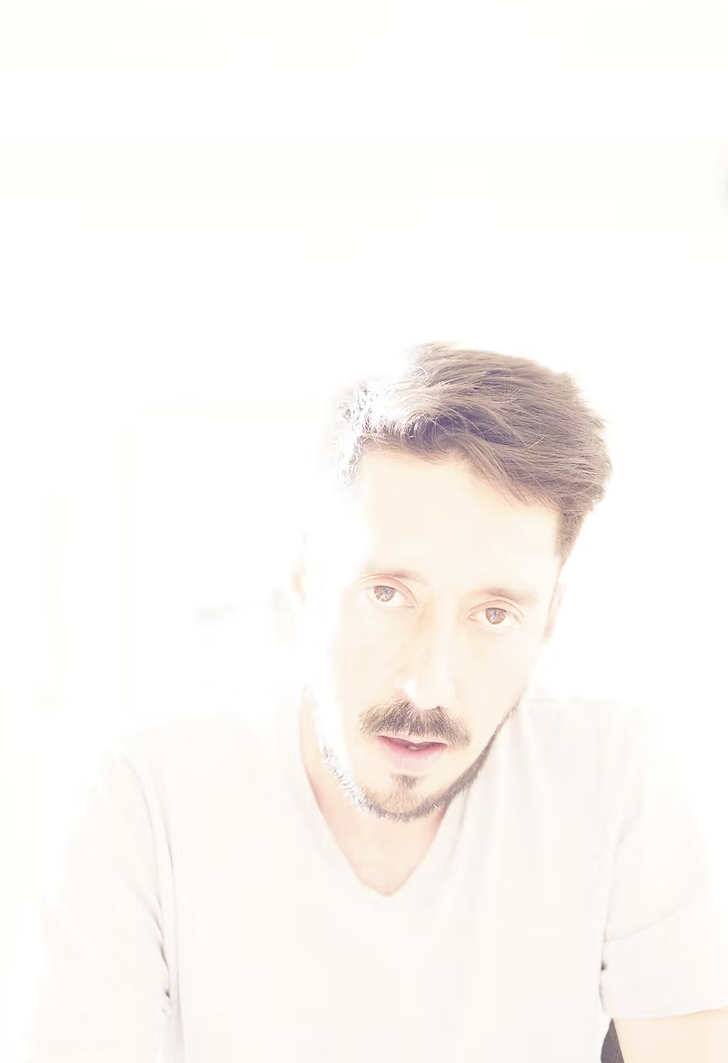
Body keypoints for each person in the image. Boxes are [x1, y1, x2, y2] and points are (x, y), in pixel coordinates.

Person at [3, 342, 728, 1061]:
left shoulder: (613, 775)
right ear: (306, 580)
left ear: (549, 622)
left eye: (494, 614)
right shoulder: (147, 796)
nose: (429, 688)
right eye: (387, 594)